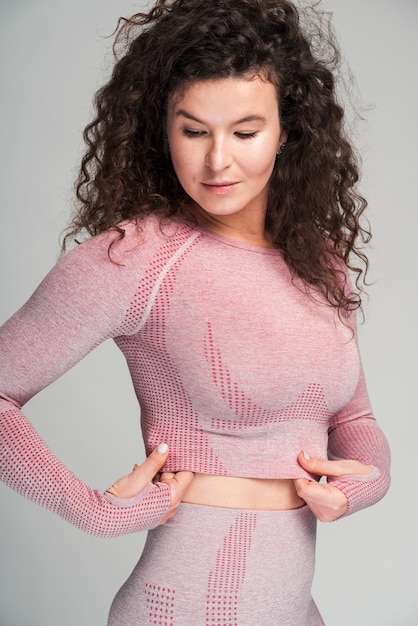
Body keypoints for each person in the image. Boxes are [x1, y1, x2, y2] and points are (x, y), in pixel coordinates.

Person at [0, 0, 391, 624]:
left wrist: (366, 483)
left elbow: (356, 415)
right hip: (183, 606)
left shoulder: (322, 262)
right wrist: (93, 511)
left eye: (244, 131)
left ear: (286, 130)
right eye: (193, 130)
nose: (217, 161)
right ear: (163, 129)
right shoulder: (137, 258)